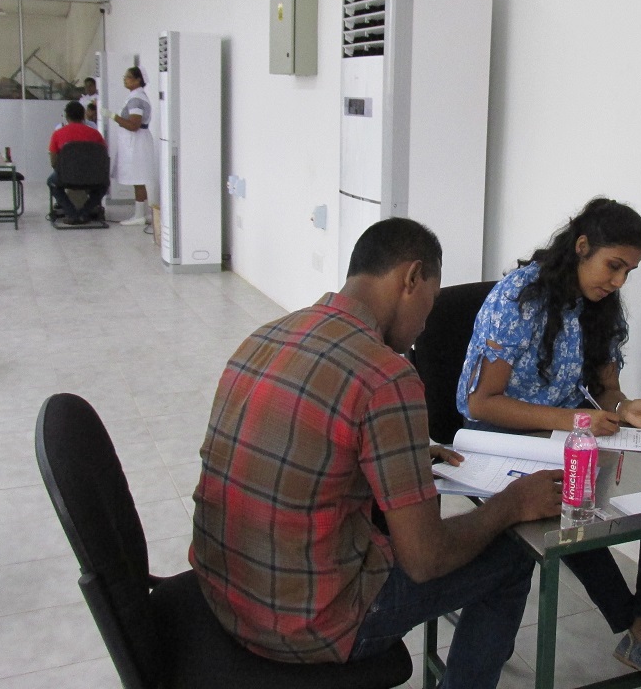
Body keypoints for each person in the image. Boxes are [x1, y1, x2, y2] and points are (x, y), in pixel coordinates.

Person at [191, 217, 562, 689]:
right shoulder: (387, 375)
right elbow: (426, 560)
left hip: (222, 594)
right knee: (511, 558)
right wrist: (512, 504)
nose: (423, 327)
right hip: (308, 625)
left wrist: (398, 453)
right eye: (429, 304)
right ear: (412, 278)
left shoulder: (267, 335)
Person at [457, 197, 641, 689]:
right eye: (614, 266)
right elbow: (481, 403)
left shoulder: (601, 306)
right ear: (582, 246)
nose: (618, 282)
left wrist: (624, 408)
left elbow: (606, 390)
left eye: (628, 271)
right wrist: (576, 420)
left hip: (571, 433)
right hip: (505, 438)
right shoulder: (519, 298)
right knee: (569, 503)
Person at [47, 100, 107, 225]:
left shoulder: (58, 134)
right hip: (93, 177)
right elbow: (103, 157)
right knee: (104, 184)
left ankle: (71, 213)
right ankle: (85, 212)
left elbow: (53, 162)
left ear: (67, 116)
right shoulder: (95, 134)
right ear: (83, 116)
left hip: (66, 177)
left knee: (51, 182)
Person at [109, 66, 156, 226]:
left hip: (136, 143)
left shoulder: (136, 99)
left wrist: (114, 117)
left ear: (138, 80)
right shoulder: (136, 96)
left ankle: (139, 215)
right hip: (136, 142)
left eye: (128, 77)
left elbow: (134, 125)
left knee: (138, 178)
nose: (125, 79)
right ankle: (143, 213)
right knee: (139, 178)